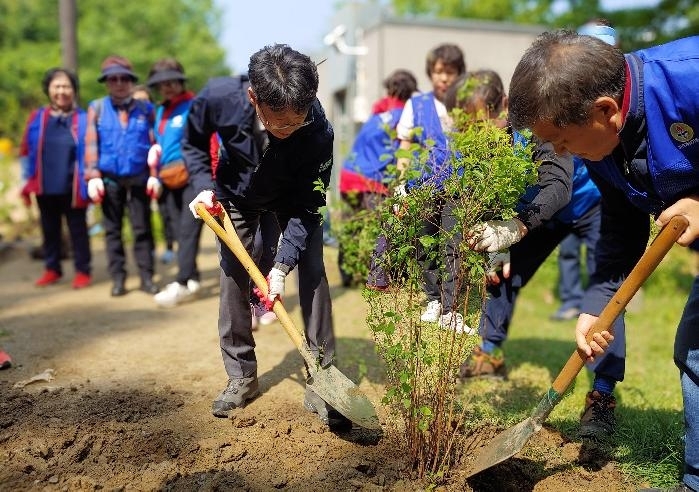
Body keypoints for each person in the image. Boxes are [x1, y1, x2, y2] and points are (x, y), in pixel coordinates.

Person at [508, 30, 699, 492]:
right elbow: (620, 222)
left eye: (559, 141)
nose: (557, 154)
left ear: (604, 110)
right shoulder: (601, 141)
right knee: (692, 350)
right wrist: (598, 304)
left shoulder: (689, 77)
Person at [184, 44, 350, 429]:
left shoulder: (318, 131)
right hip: (235, 195)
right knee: (231, 274)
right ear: (253, 98)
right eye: (279, 124)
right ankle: (242, 375)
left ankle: (323, 373)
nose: (289, 131)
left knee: (312, 270)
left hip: (293, 198)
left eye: (298, 121)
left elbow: (310, 206)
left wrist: (279, 266)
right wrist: (200, 186)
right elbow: (193, 141)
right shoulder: (218, 97)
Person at [455, 69, 624, 439]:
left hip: (587, 202)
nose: (481, 131)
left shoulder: (535, 125)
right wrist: (497, 244)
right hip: (536, 214)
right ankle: (490, 353)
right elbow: (488, 192)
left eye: (486, 120)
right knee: (502, 274)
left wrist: (515, 228)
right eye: (469, 124)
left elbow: (558, 188)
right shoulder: (484, 141)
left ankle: (603, 394)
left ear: (505, 106)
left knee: (607, 293)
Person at [383, 43, 467, 332]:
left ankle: (451, 308)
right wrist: (400, 186)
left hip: (458, 185)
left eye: (451, 72)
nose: (444, 78)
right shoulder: (416, 105)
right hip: (423, 186)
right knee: (425, 242)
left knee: (453, 245)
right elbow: (405, 145)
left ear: (459, 74)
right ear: (431, 73)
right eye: (439, 72)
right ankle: (433, 299)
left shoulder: (465, 106)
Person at [550, 20, 620, 322]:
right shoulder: (566, 103)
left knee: (601, 258)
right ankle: (571, 300)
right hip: (569, 197)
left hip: (599, 198)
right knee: (568, 253)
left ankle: (600, 307)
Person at [84, 55, 160, 297]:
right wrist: (93, 175)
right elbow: (90, 144)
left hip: (139, 176)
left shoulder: (146, 109)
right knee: (112, 230)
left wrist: (154, 174)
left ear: (131, 81)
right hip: (109, 178)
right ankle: (118, 278)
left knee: (142, 228)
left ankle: (147, 277)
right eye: (113, 79)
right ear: (107, 82)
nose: (119, 83)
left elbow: (154, 142)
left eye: (124, 78)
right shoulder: (96, 108)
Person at [339, 69, 418, 286]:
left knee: (351, 227)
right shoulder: (404, 116)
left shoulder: (378, 112)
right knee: (387, 227)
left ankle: (348, 276)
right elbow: (403, 151)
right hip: (371, 179)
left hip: (349, 175)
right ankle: (378, 278)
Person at [19, 67, 92, 289]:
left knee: (78, 230)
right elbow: (25, 149)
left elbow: (92, 150)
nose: (61, 91)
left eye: (66, 86)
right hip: (45, 183)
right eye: (56, 86)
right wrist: (26, 180)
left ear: (74, 90)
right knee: (49, 229)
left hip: (73, 185)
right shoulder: (37, 117)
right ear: (49, 90)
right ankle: (52, 268)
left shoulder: (84, 118)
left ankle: (82, 271)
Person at [143, 59, 202, 307]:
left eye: (171, 81)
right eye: (161, 83)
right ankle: (193, 277)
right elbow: (160, 142)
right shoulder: (160, 110)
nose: (166, 87)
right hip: (167, 179)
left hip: (191, 176)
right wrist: (154, 172)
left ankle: (180, 281)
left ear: (180, 81)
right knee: (178, 232)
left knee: (189, 232)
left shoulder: (195, 105)